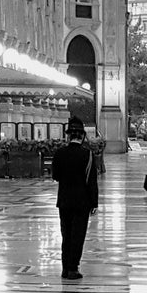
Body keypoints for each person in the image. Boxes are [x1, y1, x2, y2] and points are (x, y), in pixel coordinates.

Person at [51, 116, 99, 279]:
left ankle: (65, 268)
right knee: (78, 235)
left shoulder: (59, 153)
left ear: (69, 135)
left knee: (66, 234)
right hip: (82, 202)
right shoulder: (88, 155)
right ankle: (73, 268)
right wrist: (94, 202)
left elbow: (55, 176)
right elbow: (91, 181)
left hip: (64, 201)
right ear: (82, 136)